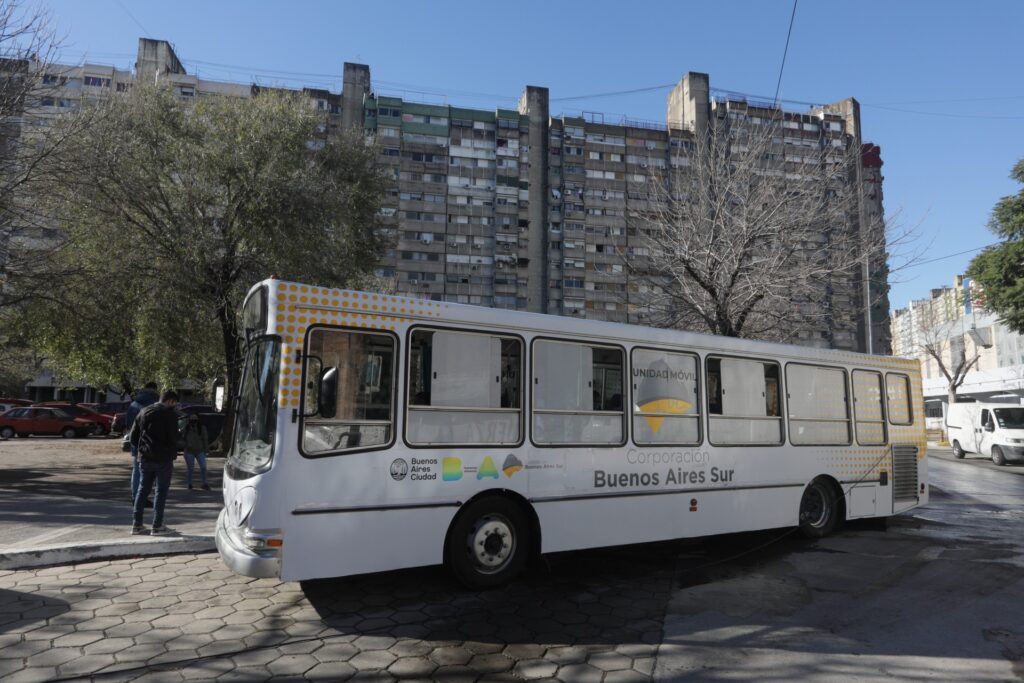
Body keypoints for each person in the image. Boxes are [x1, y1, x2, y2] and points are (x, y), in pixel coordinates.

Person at [129, 390, 181, 535]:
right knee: (161, 491)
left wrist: (142, 448)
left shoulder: (143, 411)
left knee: (142, 490)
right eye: (174, 403)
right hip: (164, 458)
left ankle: (137, 524)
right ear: (170, 401)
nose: (174, 406)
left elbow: (133, 437)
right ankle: (157, 526)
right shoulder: (169, 415)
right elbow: (174, 438)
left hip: (145, 457)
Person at [125, 382, 159, 506]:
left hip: (135, 440)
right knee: (150, 471)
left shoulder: (134, 403)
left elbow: (128, 424)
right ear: (155, 390)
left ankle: (136, 497)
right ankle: (143, 497)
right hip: (149, 441)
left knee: (137, 470)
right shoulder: (153, 404)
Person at [182, 414, 211, 491]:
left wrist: (206, 450)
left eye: (195, 419)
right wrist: (185, 446)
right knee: (190, 468)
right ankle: (189, 483)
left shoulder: (201, 428)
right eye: (192, 419)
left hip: (200, 451)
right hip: (189, 451)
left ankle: (205, 483)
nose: (193, 421)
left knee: (203, 467)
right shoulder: (186, 428)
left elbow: (205, 439)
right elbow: (182, 439)